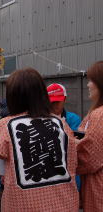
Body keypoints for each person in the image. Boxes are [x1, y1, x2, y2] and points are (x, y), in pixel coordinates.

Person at [0, 68, 79, 211]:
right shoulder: (61, 123)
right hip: (64, 203)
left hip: (24, 204)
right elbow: (72, 162)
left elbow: (0, 169)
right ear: (42, 94)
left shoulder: (5, 124)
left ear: (13, 96)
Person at [77, 61, 103, 212]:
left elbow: (88, 157)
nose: (88, 85)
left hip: (98, 186)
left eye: (91, 80)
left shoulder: (99, 114)